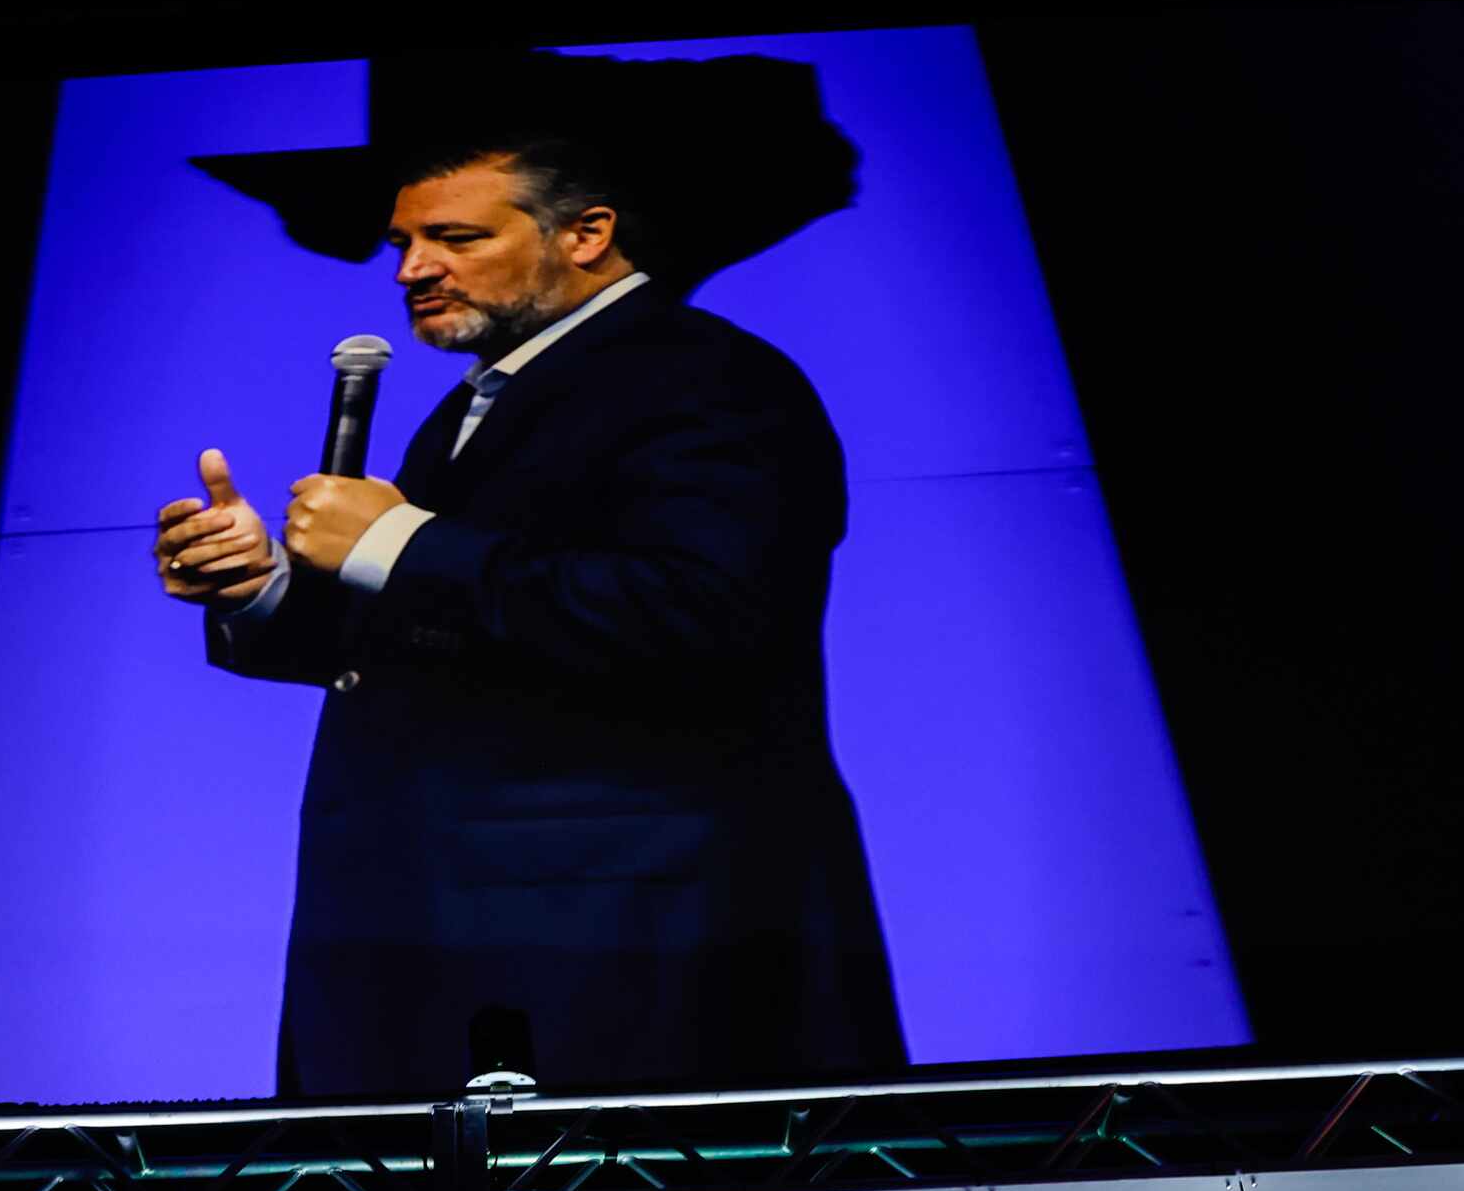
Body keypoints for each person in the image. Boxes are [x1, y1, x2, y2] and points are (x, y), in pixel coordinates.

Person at [154, 138, 904, 1099]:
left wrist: (400, 545)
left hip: (630, 939)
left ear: (587, 234)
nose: (412, 268)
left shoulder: (707, 377)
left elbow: (701, 615)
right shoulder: (483, 403)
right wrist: (259, 585)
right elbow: (453, 640)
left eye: (453, 237)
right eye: (402, 242)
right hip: (448, 931)